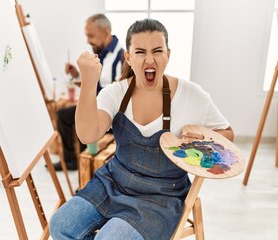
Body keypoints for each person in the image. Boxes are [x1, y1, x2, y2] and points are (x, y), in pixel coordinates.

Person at [49, 18, 234, 239]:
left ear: (168, 54)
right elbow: (87, 134)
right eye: (140, 52)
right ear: (128, 56)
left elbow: (227, 133)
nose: (150, 59)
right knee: (61, 225)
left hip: (160, 196)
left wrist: (202, 138)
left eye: (157, 51)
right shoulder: (115, 92)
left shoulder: (191, 95)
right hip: (113, 182)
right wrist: (88, 82)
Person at [54, 13, 124, 171]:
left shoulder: (121, 57)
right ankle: (72, 161)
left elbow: (117, 93)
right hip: (96, 105)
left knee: (84, 123)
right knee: (64, 115)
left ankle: (84, 167)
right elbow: (99, 82)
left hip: (109, 113)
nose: (88, 41)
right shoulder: (103, 54)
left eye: (91, 36)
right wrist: (78, 75)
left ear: (105, 33)